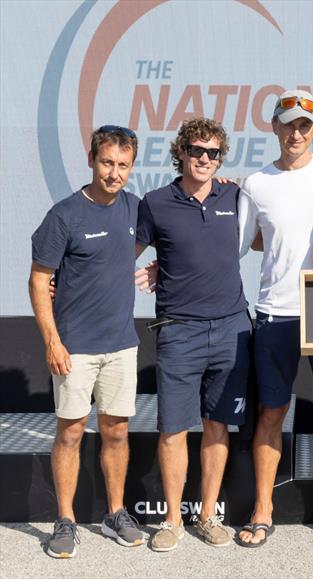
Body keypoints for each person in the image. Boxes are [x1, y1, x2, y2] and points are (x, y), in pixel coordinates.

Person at [236, 90, 313, 546]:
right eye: (288, 124)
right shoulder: (255, 183)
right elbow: (242, 243)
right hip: (274, 313)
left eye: (305, 125)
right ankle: (262, 508)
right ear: (274, 126)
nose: (296, 133)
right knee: (271, 413)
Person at [136, 118, 251, 552]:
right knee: (173, 430)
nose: (205, 159)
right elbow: (120, 255)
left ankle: (206, 516)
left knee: (217, 425)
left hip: (231, 327)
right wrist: (63, 278)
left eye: (213, 153)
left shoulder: (235, 195)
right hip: (178, 330)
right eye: (197, 151)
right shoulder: (155, 202)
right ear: (181, 152)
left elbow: (275, 232)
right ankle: (171, 521)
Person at [29, 125, 145, 558]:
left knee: (116, 431)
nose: (114, 173)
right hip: (74, 346)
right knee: (71, 432)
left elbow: (165, 230)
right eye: (107, 162)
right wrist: (52, 343)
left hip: (121, 344)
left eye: (123, 165)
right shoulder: (64, 215)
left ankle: (116, 513)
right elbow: (40, 280)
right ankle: (65, 520)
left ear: (131, 167)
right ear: (91, 159)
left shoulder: (135, 209)